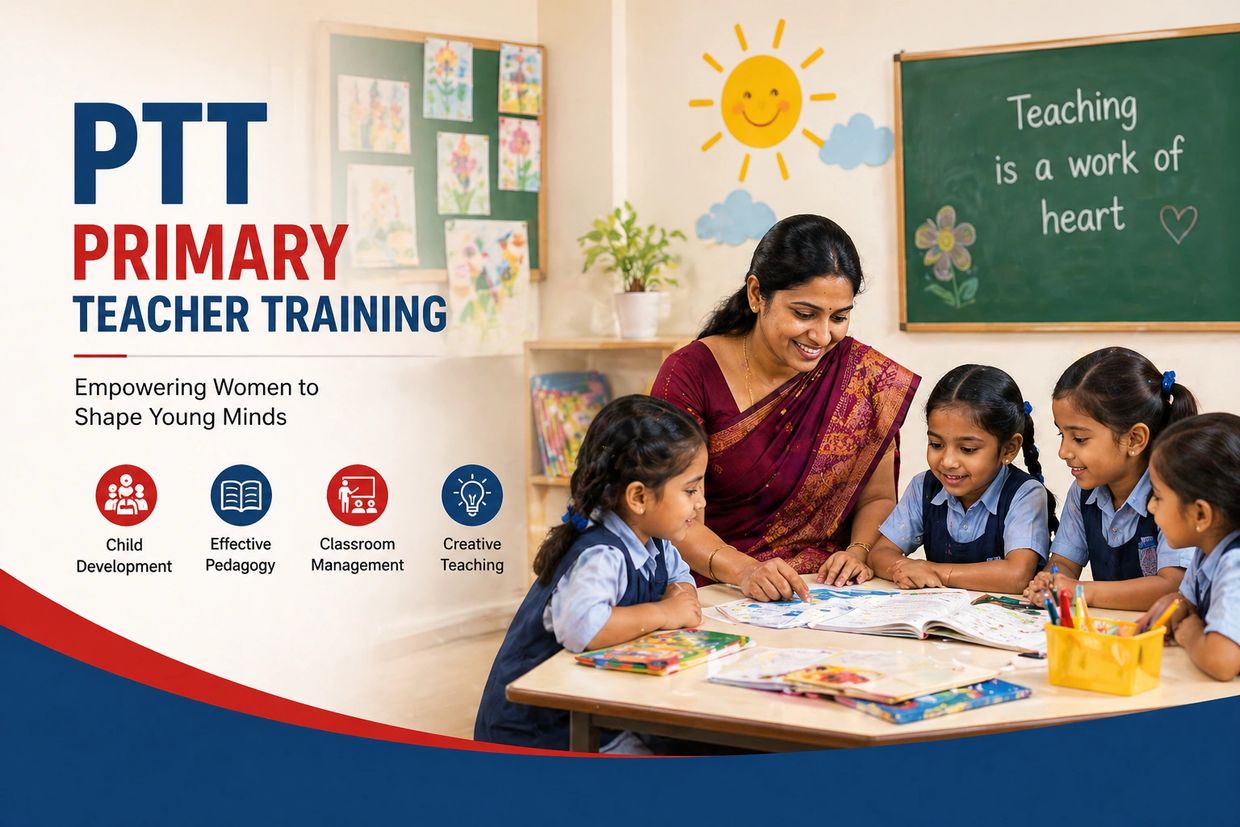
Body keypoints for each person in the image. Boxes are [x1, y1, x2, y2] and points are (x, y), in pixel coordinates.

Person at [652, 214, 919, 601]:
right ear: (757, 294)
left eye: (839, 317)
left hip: (827, 593)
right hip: (719, 588)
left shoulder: (864, 378)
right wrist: (745, 570)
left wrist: (858, 550)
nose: (822, 335)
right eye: (804, 314)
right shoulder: (690, 374)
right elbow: (674, 512)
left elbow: (878, 498)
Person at [474, 395, 707, 750]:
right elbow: (584, 628)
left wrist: (679, 596)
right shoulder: (600, 553)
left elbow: (681, 580)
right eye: (690, 490)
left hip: (592, 709)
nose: (701, 502)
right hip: (537, 732)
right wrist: (664, 612)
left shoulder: (656, 540)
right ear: (639, 498)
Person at [1024, 347, 1197, 610]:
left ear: (1134, 439)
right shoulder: (1083, 493)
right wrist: (1049, 580)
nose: (1063, 452)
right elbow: (1065, 563)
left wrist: (1080, 591)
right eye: (1062, 435)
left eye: (1080, 438)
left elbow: (1172, 587)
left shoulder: (1173, 495)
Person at [868, 365, 1055, 593]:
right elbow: (879, 554)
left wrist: (934, 571)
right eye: (936, 445)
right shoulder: (924, 487)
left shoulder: (1025, 494)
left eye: (967, 449)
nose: (947, 461)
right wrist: (903, 570)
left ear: (1008, 449)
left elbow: (1016, 575)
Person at [1138, 413, 1240, 681]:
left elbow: (1222, 661)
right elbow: (1189, 602)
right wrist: (1177, 604)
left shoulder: (1235, 563)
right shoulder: (1207, 549)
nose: (1150, 506)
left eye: (1158, 496)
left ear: (1200, 515)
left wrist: (1192, 633)